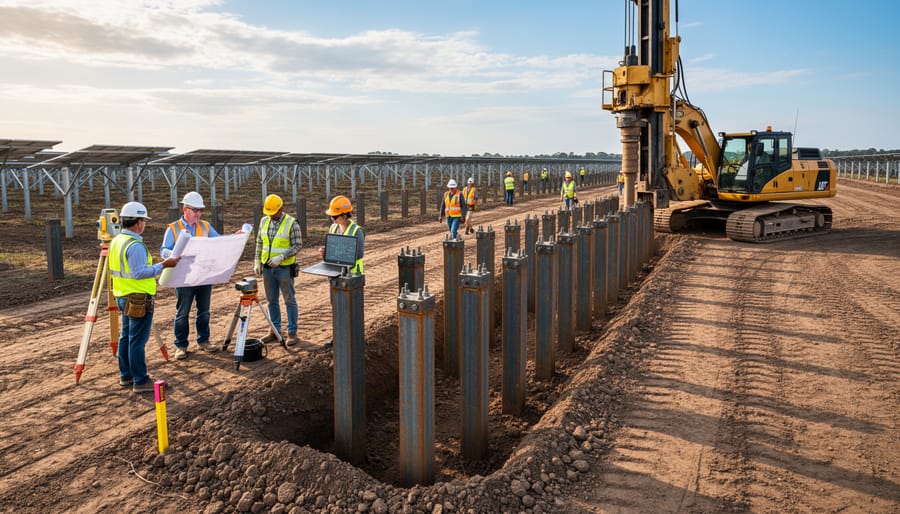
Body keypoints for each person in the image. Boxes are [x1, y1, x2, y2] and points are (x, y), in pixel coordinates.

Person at [109, 202, 179, 393]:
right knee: (137, 341)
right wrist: (164, 265)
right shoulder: (135, 245)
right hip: (138, 299)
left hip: (123, 296)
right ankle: (140, 380)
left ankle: (126, 375)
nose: (144, 225)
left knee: (126, 337)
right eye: (144, 221)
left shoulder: (116, 241)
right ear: (138, 222)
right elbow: (140, 273)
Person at [160, 191, 220, 360]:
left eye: (200, 210)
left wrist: (234, 238)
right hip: (184, 278)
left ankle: (204, 341)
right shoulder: (173, 228)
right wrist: (172, 253)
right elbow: (163, 250)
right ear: (185, 209)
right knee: (183, 312)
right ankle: (181, 345)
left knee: (204, 311)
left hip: (203, 276)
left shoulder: (206, 226)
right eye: (195, 210)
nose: (199, 213)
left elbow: (218, 242)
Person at [254, 194, 302, 346]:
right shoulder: (264, 221)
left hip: (284, 268)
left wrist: (281, 257)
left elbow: (297, 245)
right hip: (268, 269)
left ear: (281, 209)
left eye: (273, 213)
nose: (271, 216)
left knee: (289, 300)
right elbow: (259, 242)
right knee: (271, 301)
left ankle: (292, 332)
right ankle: (274, 330)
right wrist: (257, 261)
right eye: (268, 213)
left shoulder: (291, 223)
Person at [319, 195, 365, 274]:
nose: (333, 219)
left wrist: (338, 253)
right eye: (331, 217)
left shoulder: (357, 231)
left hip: (353, 274)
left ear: (344, 216)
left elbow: (359, 254)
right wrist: (326, 251)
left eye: (334, 217)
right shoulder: (333, 228)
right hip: (335, 271)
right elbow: (332, 247)